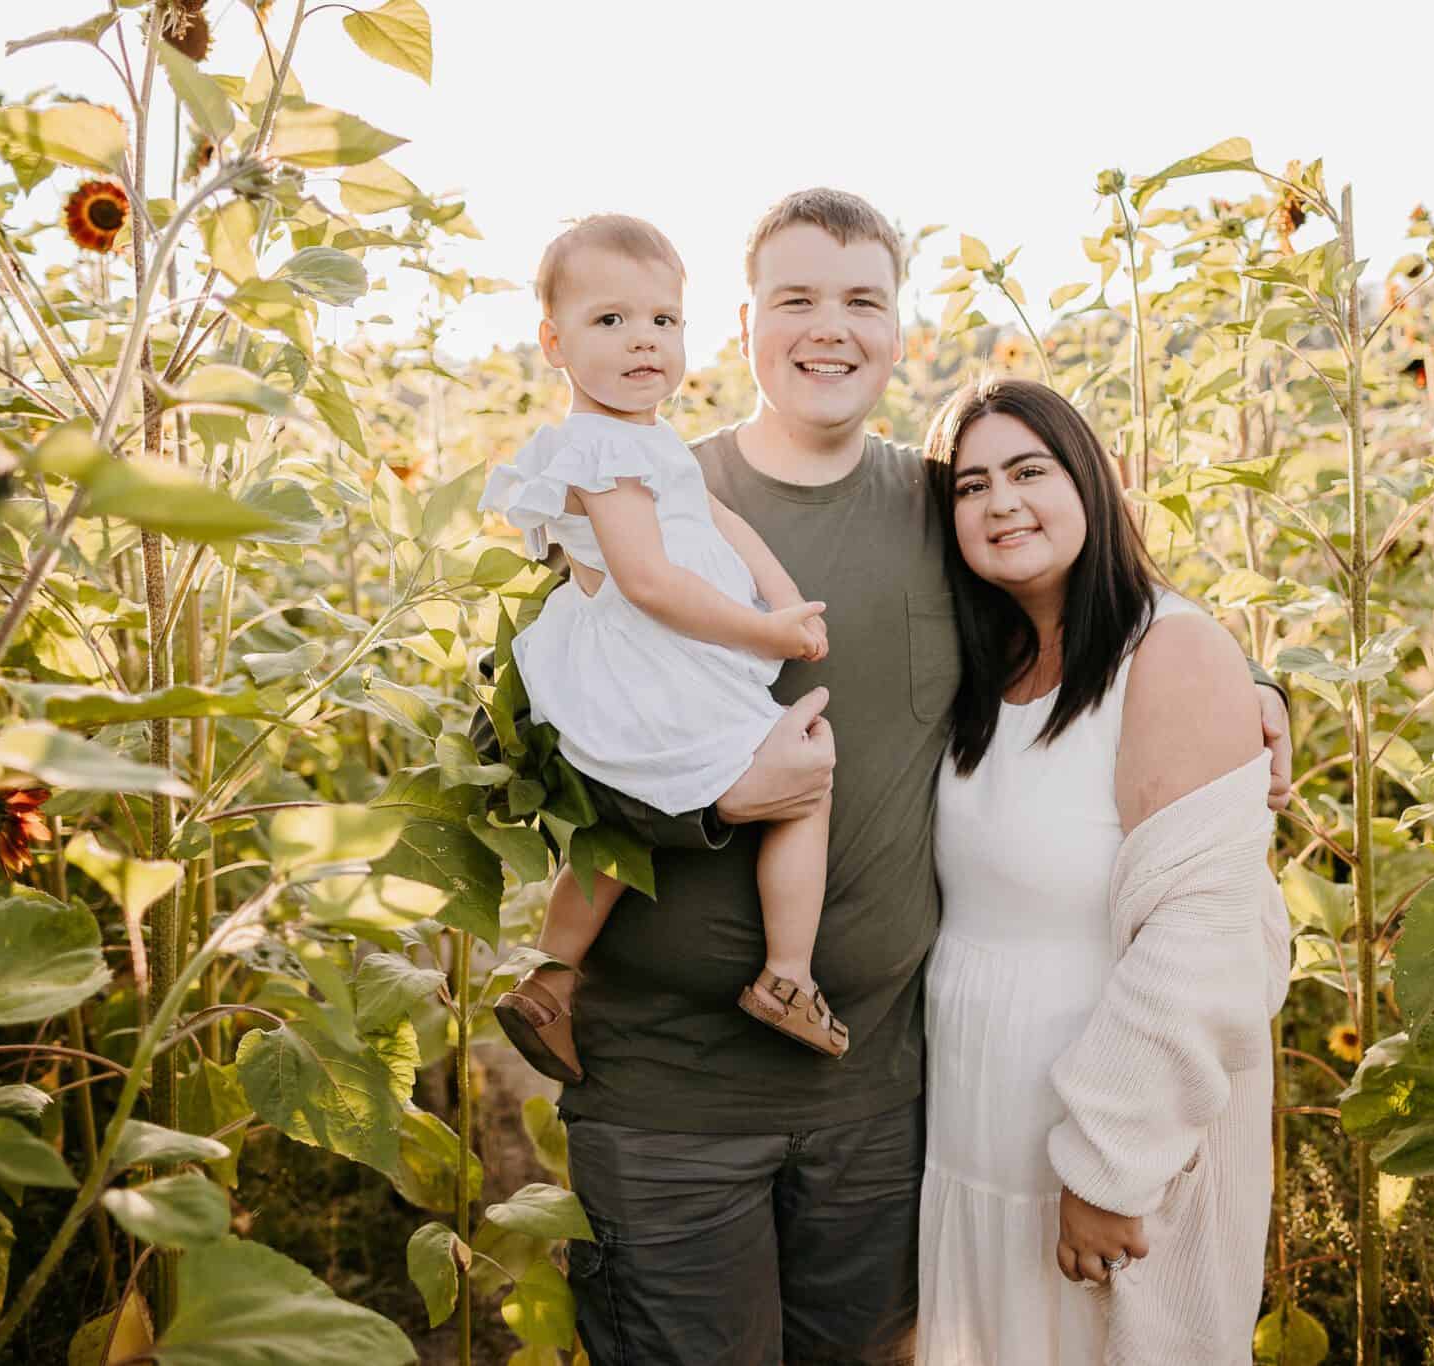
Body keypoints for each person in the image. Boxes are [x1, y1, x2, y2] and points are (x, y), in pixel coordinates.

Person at [475, 189, 1294, 1366]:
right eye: (796, 298)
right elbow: (533, 736)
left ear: (899, 327)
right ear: (745, 323)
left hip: (886, 1099)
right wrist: (709, 808)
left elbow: (1094, 615)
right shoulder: (649, 503)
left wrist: (1249, 687)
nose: (830, 328)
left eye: (862, 299)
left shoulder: (941, 507)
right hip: (672, 1096)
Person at [917, 377, 1291, 1365]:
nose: (1000, 503)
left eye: (1029, 471)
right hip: (976, 1130)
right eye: (969, 485)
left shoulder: (1168, 651)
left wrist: (1107, 1169)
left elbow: (1202, 944)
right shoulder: (982, 663)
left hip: (1108, 1145)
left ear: (1092, 480)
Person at [479, 214, 851, 1076]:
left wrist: (790, 599)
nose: (643, 341)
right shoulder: (602, 447)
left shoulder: (641, 439)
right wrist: (764, 628)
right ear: (554, 343)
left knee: (619, 831)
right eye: (610, 321)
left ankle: (549, 981)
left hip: (641, 667)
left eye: (663, 321)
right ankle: (788, 976)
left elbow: (716, 517)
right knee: (805, 781)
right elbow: (646, 579)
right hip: (648, 665)